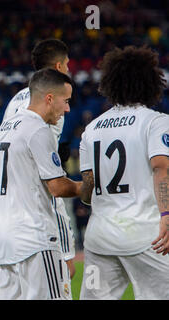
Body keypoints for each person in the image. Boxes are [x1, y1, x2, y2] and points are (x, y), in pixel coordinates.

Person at [0, 39, 76, 300]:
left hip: (5, 214)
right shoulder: (50, 106)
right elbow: (51, 181)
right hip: (35, 214)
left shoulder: (17, 100)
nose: (70, 69)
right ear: (58, 66)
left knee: (5, 276)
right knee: (63, 272)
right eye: (67, 65)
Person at [79, 46, 169, 299]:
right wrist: (167, 214)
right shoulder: (155, 121)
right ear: (150, 82)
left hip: (100, 238)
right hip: (147, 237)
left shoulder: (92, 129)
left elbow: (88, 190)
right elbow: (161, 167)